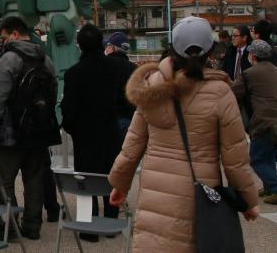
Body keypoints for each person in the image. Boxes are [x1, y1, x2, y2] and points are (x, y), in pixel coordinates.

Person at [108, 16, 259, 251]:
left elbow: (132, 145)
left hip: (155, 196)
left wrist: (120, 184)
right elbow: (235, 157)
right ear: (210, 49)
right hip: (198, 198)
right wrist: (247, 201)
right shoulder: (220, 92)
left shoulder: (151, 87)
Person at [0, 16, 60, 241]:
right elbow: (53, 92)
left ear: (14, 34)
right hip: (39, 129)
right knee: (34, 179)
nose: (2, 41)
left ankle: (9, 225)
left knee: (0, 179)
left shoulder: (9, 59)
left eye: (4, 36)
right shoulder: (45, 59)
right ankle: (32, 226)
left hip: (10, 129)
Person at [62, 23, 121, 242]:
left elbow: (69, 109)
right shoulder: (114, 68)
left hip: (85, 134)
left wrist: (72, 128)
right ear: (101, 43)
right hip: (110, 129)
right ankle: (112, 223)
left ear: (80, 45)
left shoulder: (74, 73)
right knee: (111, 175)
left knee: (87, 179)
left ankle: (89, 226)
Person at [232, 39, 277, 204]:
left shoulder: (249, 74)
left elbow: (233, 94)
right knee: (268, 156)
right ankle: (270, 188)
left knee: (257, 159)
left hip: (265, 123)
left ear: (252, 55)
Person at [104, 31, 137, 144]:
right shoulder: (134, 69)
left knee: (109, 160)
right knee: (128, 158)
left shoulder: (103, 65)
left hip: (107, 121)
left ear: (112, 48)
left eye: (107, 46)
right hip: (129, 121)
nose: (106, 49)